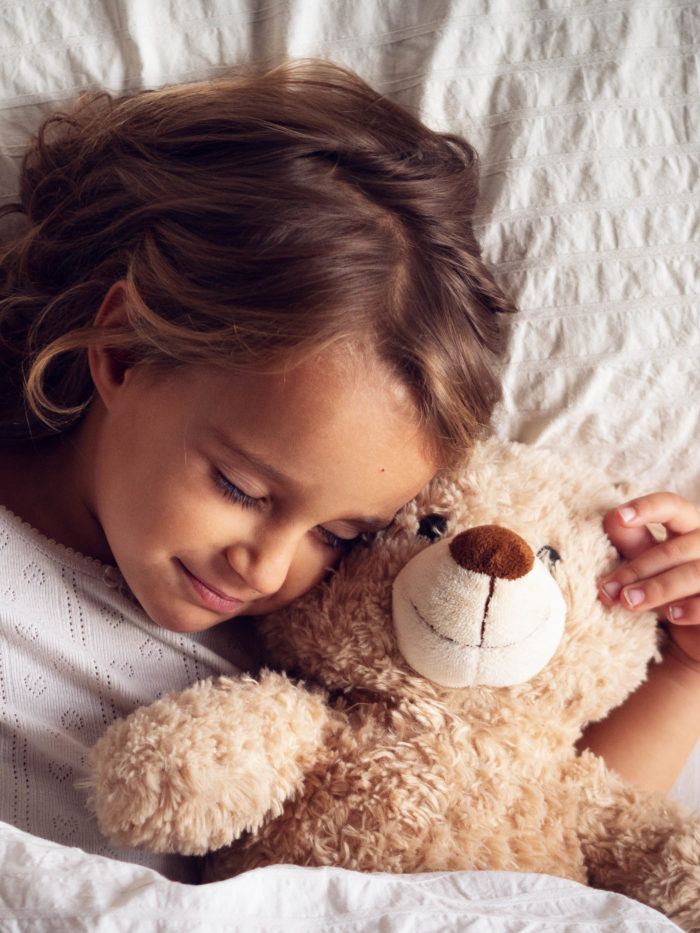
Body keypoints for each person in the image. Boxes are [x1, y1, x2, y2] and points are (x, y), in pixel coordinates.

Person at [0, 59, 697, 880]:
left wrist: (685, 671)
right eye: (241, 488)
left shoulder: (311, 633)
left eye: (338, 532)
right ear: (123, 352)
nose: (265, 565)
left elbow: (525, 817)